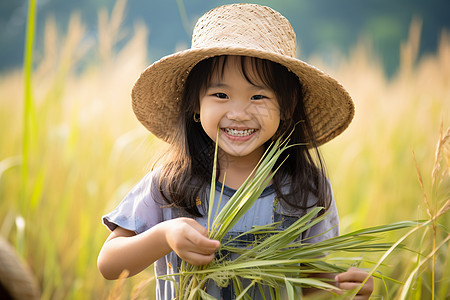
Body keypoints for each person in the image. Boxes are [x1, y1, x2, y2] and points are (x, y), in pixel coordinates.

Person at [97, 3, 374, 299]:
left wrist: (339, 284)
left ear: (288, 106)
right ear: (195, 103)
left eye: (258, 96)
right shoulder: (170, 184)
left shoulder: (306, 190)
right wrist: (165, 236)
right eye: (220, 95)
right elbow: (110, 263)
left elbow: (307, 281)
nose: (239, 113)